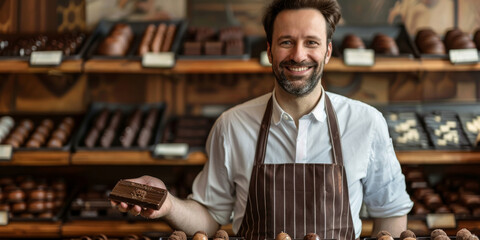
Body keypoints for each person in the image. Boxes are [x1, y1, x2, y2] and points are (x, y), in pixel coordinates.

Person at [111, 0, 413, 239]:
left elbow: (391, 212)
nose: (298, 55)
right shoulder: (231, 126)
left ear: (328, 51)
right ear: (269, 50)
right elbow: (209, 220)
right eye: (286, 42)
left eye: (311, 42)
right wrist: (168, 205)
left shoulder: (366, 123)